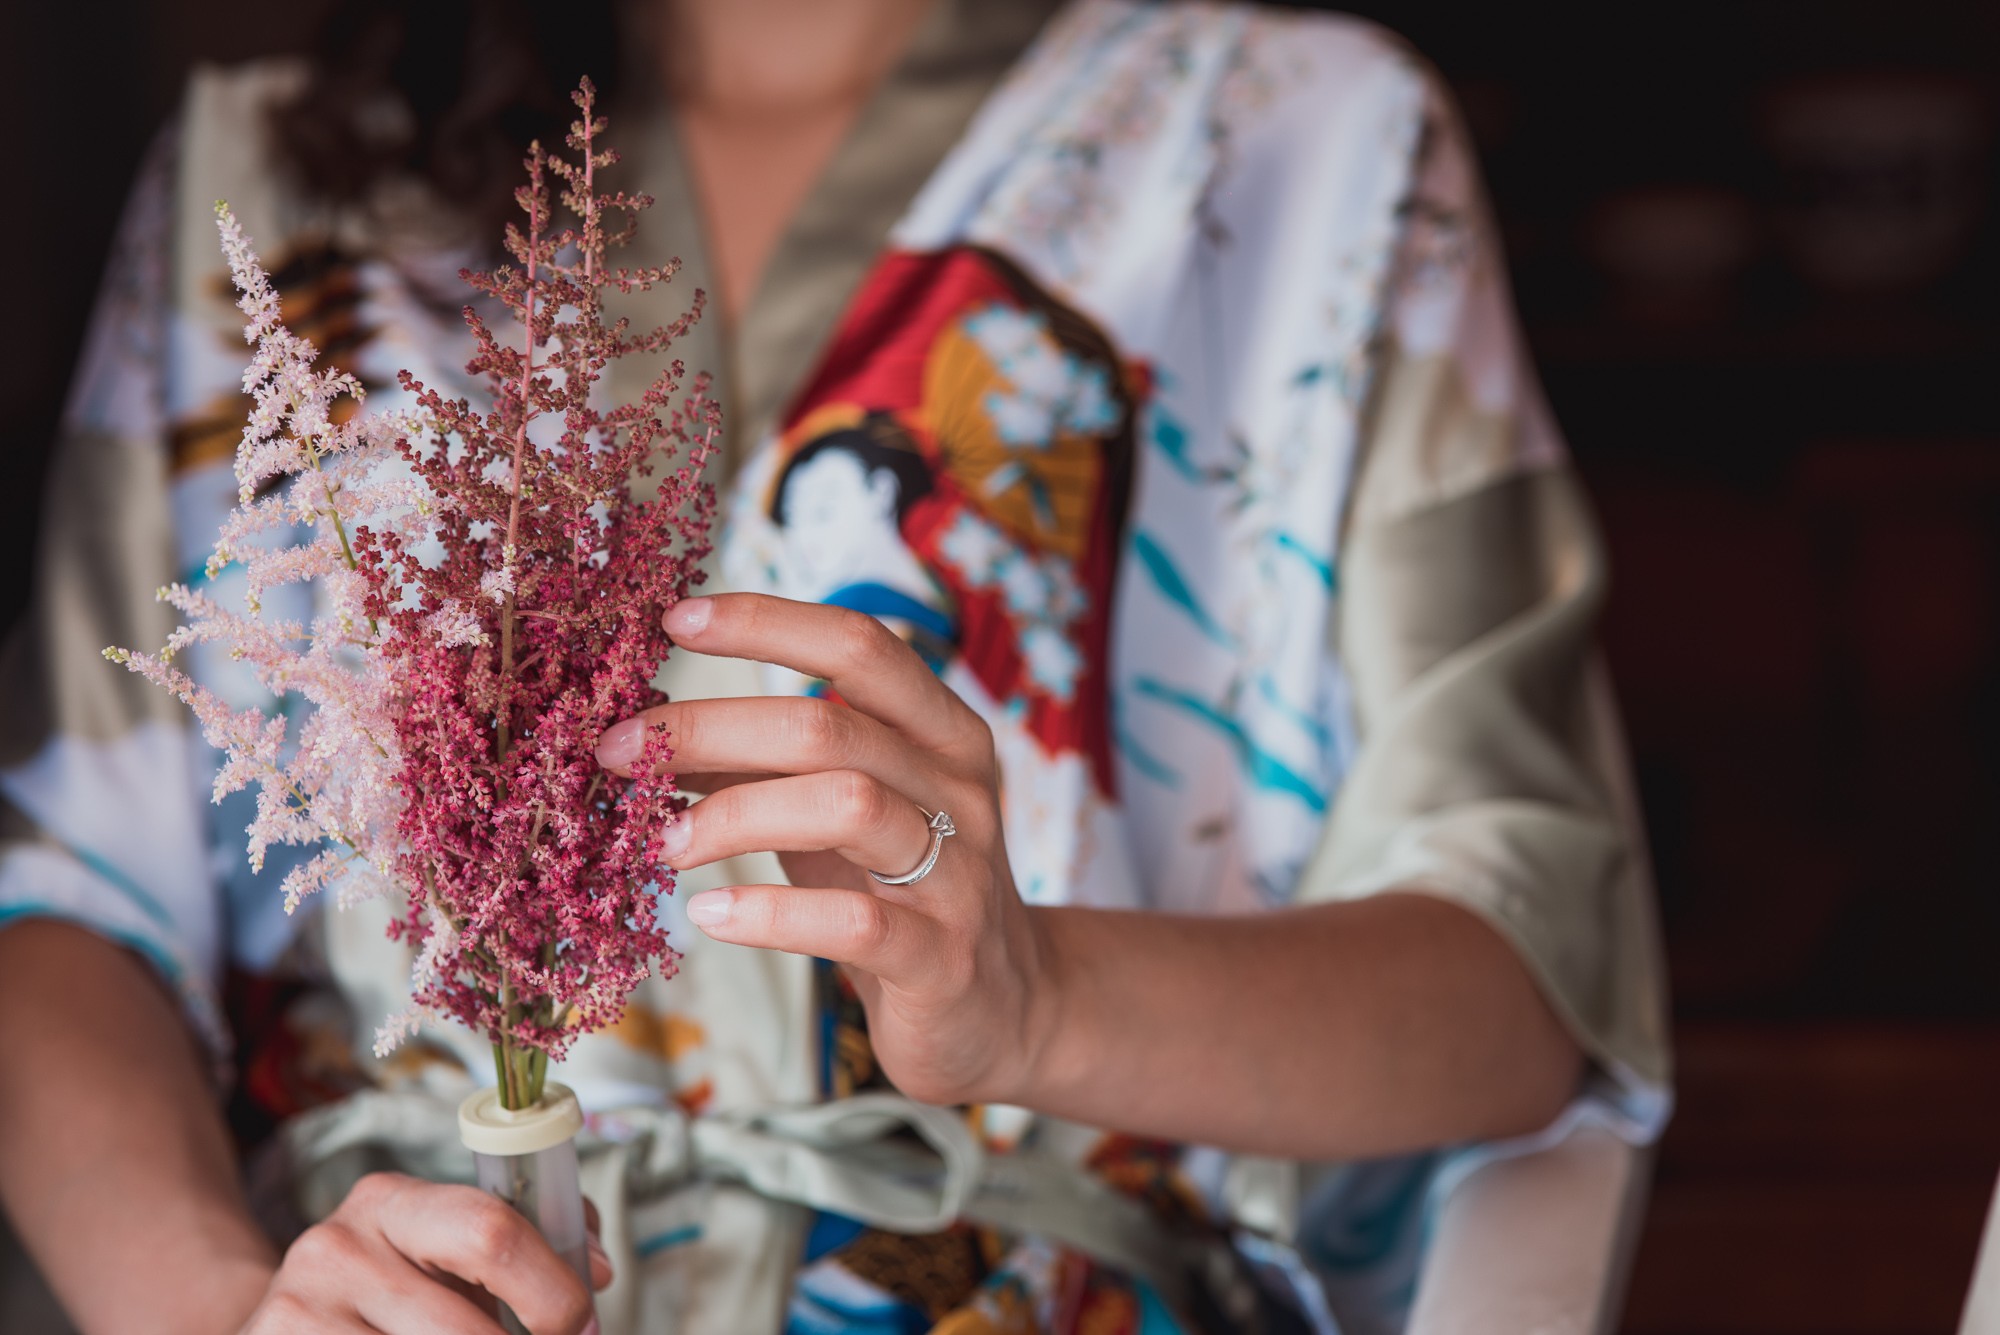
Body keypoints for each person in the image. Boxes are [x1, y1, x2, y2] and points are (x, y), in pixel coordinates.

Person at [0, 0, 1670, 1331]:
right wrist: (225, 1313)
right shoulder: (280, 177)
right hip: (399, 1283)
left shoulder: (1302, 145)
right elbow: (58, 895)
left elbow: (1527, 974)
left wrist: (1038, 995)